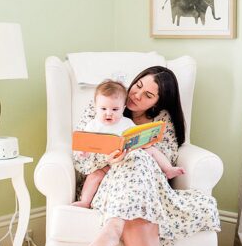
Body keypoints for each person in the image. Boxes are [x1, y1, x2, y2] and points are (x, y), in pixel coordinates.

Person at [72, 66, 220, 246]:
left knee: (140, 157)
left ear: (159, 102)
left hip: (148, 187)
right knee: (135, 166)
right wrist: (106, 158)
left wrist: (138, 154)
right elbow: (81, 157)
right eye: (138, 86)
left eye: (148, 95)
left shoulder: (161, 119)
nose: (137, 96)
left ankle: (114, 225)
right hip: (107, 183)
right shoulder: (102, 105)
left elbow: (165, 160)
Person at [73, 79, 185, 208]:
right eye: (103, 109)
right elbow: (85, 143)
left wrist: (142, 144)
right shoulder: (93, 124)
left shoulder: (126, 123)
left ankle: (168, 169)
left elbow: (134, 136)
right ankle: (85, 201)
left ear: (123, 108)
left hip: (127, 162)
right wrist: (84, 152)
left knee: (151, 149)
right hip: (104, 165)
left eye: (115, 109)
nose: (108, 113)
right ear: (96, 107)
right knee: (94, 176)